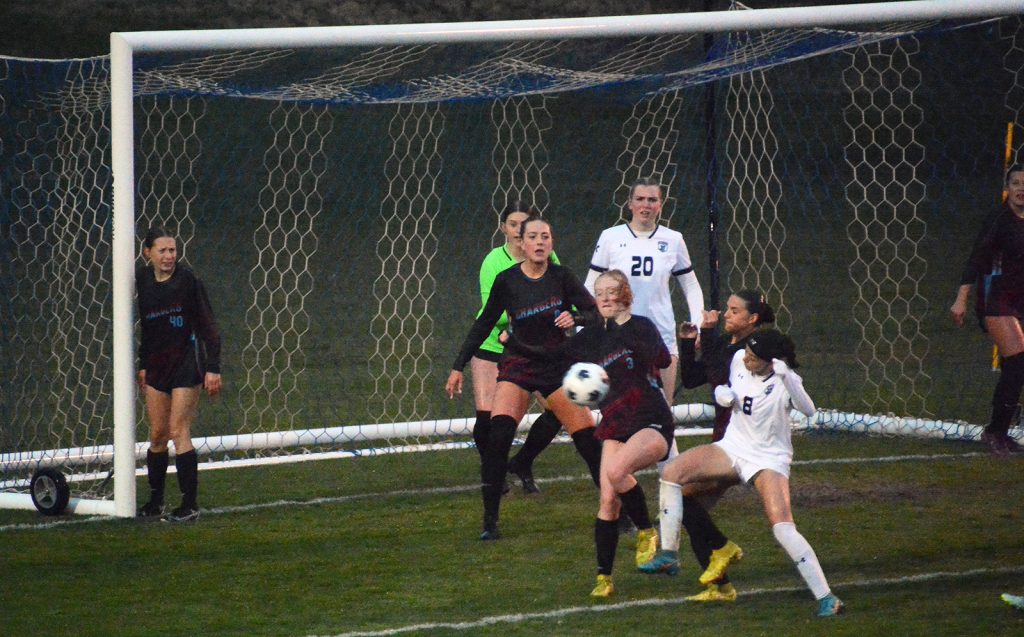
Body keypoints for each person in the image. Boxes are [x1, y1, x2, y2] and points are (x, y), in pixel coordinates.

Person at [654, 328, 845, 618]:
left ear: (771, 361)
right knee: (672, 472)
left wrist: (788, 377)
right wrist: (721, 393)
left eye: (754, 358)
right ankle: (669, 555)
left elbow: (808, 410)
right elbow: (724, 384)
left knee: (783, 528)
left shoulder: (784, 380)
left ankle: (826, 597)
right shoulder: (738, 361)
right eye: (747, 353)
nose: (746, 360)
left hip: (768, 459)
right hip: (733, 447)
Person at [446, 215, 604, 540]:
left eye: (545, 236)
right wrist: (458, 366)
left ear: (551, 242)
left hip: (555, 368)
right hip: (518, 365)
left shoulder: (562, 277)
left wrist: (575, 317)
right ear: (522, 242)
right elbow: (484, 323)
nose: (539, 242)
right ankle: (490, 523)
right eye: (533, 237)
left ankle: (620, 513)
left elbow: (596, 315)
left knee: (589, 442)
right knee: (498, 437)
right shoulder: (506, 280)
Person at [639, 290, 777, 603]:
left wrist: (708, 334)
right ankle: (720, 585)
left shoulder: (755, 349)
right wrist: (689, 343)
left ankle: (717, 549)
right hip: (725, 437)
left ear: (753, 318)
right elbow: (693, 378)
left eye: (734, 311)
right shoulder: (728, 343)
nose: (726, 314)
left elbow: (721, 372)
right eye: (727, 309)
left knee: (681, 492)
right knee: (691, 508)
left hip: (744, 443)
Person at [565, 270, 672, 597]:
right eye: (599, 293)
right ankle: (604, 578)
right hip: (615, 423)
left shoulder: (641, 326)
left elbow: (659, 358)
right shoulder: (592, 336)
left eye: (612, 291)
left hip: (650, 417)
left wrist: (621, 327)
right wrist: (512, 341)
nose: (605, 298)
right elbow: (555, 355)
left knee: (615, 471)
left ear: (625, 294)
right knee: (608, 498)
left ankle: (647, 531)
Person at [470, 200, 565, 494]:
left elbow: (562, 295)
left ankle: (523, 461)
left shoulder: (548, 257)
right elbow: (493, 312)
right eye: (513, 224)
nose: (518, 230)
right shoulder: (493, 261)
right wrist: (530, 312)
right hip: (493, 344)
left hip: (531, 347)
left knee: (558, 410)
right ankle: (494, 476)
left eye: (524, 225)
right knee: (487, 419)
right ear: (504, 228)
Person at [136, 227, 222, 523]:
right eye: (162, 250)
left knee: (178, 430)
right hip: (157, 365)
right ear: (148, 253)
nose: (169, 256)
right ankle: (155, 502)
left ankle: (189, 505)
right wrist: (143, 363)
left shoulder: (188, 281)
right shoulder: (143, 280)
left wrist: (213, 367)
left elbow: (209, 325)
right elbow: (147, 326)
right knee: (157, 434)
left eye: (172, 250)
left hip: (186, 363)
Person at [950, 164, 1024, 455]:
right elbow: (977, 258)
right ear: (1007, 188)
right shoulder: (999, 220)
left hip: (1019, 300)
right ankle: (996, 432)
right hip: (996, 299)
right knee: (1017, 362)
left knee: (1014, 367)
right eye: (1016, 183)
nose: (1021, 188)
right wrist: (961, 298)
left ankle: (1001, 429)